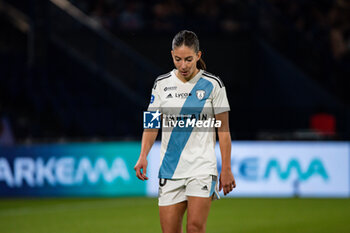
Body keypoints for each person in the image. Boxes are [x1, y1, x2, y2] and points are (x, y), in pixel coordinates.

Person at [134, 30, 236, 233]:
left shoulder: (213, 84)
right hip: (171, 169)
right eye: (178, 59)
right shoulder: (161, 84)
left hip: (201, 167)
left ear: (198, 56)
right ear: (172, 55)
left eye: (188, 59)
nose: (183, 65)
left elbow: (223, 130)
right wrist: (143, 156)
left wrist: (226, 168)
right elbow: (152, 124)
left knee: (195, 227)